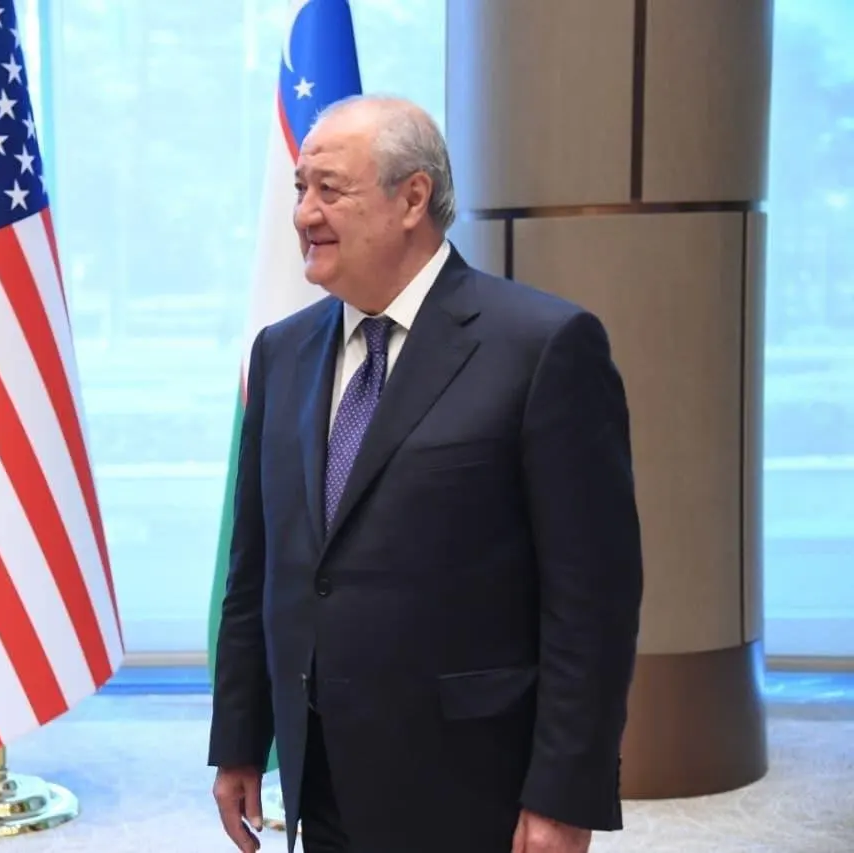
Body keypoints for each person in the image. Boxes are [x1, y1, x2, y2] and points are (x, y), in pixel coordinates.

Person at [208, 94, 645, 853]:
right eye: (300, 189)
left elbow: (592, 602)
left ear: (413, 197)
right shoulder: (280, 353)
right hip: (323, 773)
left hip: (474, 784)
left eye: (329, 189)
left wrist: (564, 795)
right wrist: (241, 738)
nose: (304, 213)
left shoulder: (543, 345)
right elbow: (258, 568)